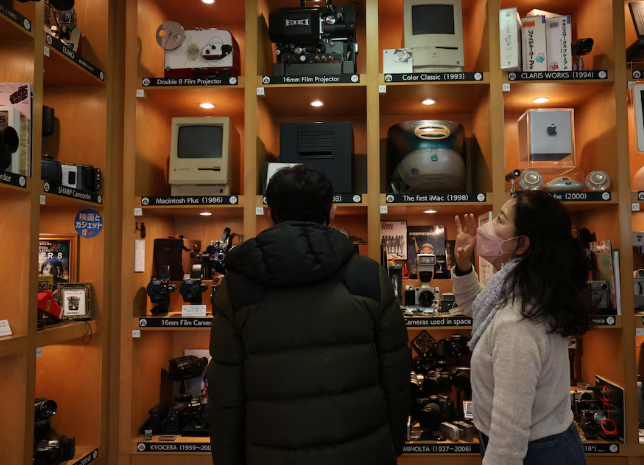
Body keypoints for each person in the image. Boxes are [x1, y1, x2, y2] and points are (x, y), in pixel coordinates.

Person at [207, 164, 411, 465]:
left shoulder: (235, 287)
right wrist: (393, 442)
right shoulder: (369, 277)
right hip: (363, 452)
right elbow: (396, 374)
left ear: (269, 214)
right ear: (332, 212)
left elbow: (225, 393)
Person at [452, 190, 591, 465]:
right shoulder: (526, 289)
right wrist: (463, 263)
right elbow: (477, 307)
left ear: (521, 243)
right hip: (545, 442)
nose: (486, 227)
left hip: (537, 452)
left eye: (500, 220)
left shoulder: (516, 322)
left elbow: (509, 437)